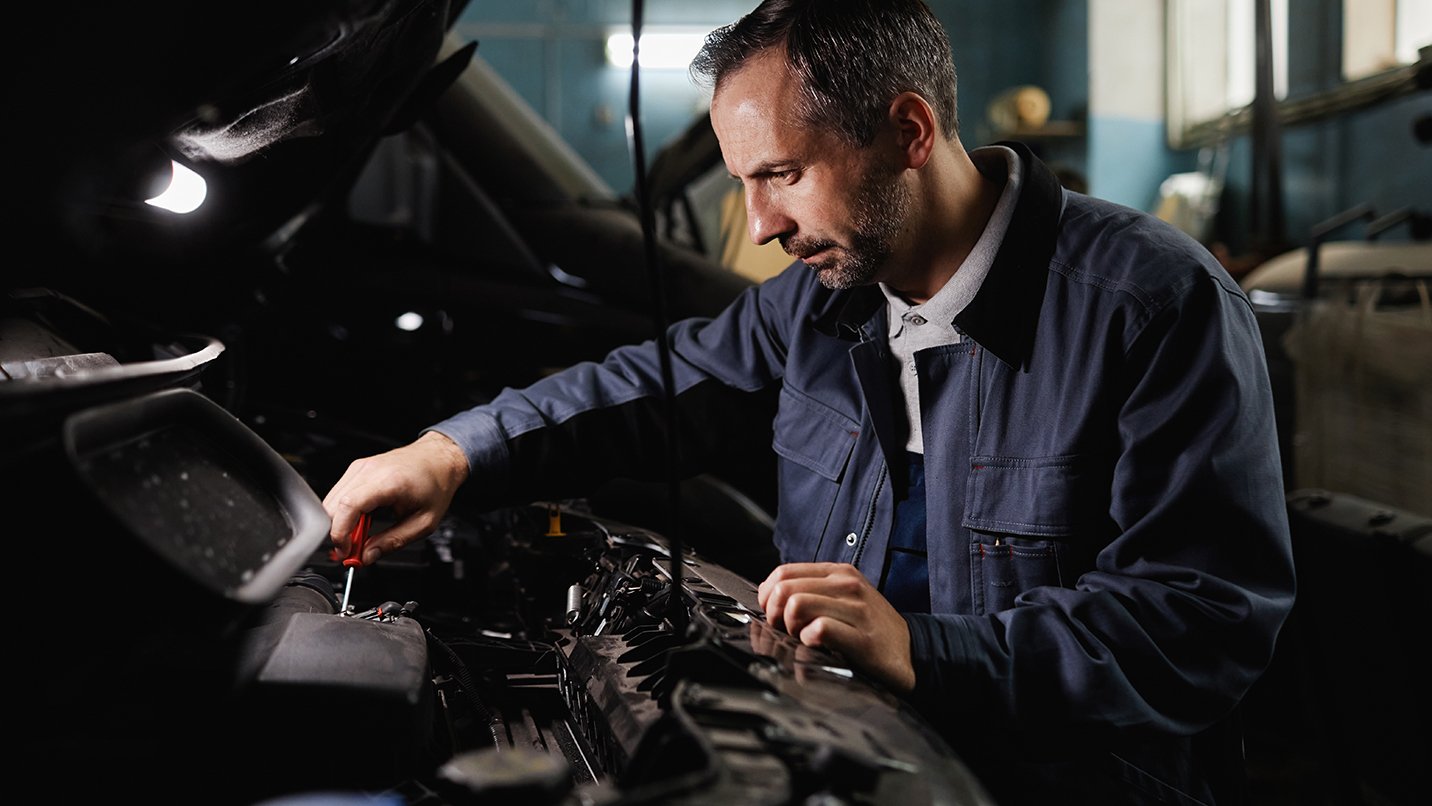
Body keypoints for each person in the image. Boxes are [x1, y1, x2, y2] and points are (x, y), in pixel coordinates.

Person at [323, 1, 1295, 802]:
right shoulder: (820, 305)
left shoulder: (1151, 305)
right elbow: (639, 389)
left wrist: (927, 649)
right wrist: (452, 452)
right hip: (847, 766)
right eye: (746, 182)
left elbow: (1198, 618)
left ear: (908, 131)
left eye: (782, 175)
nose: (759, 224)